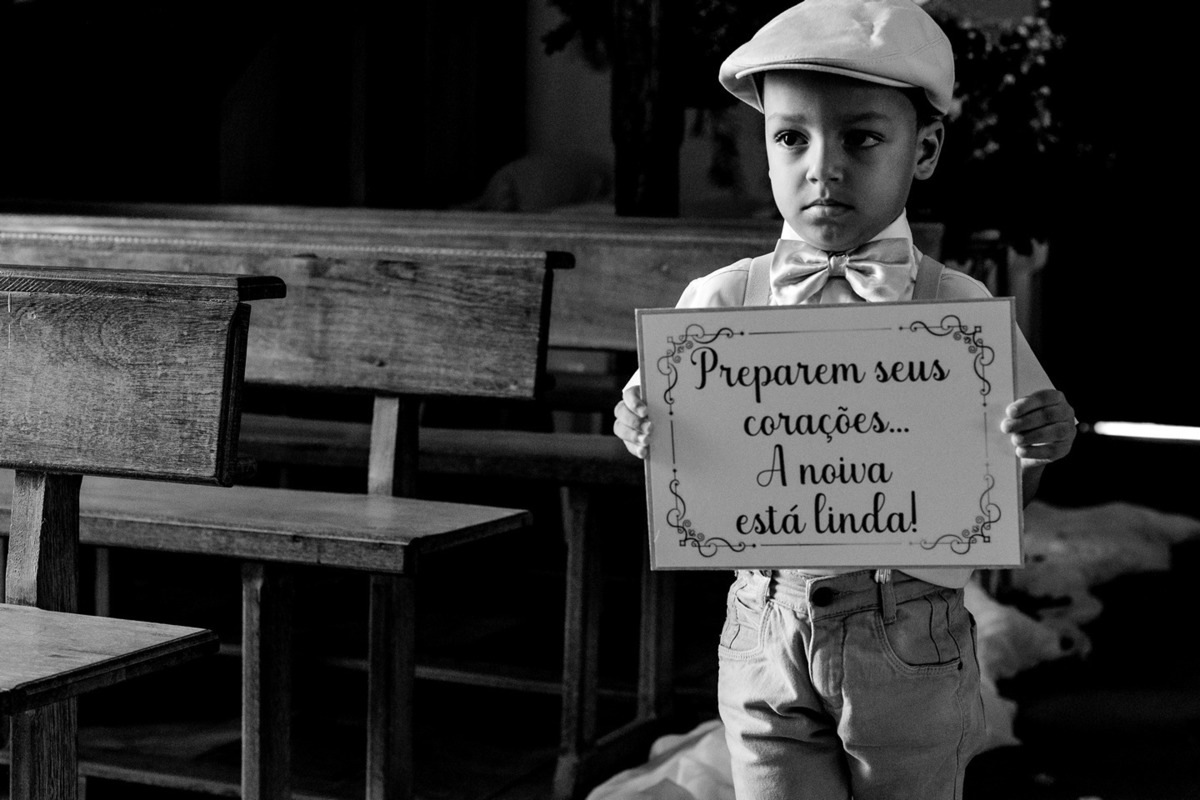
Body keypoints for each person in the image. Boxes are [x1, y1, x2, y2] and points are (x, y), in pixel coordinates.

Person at [611, 1, 1076, 797]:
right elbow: (662, 428)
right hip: (764, 620)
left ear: (923, 149)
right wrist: (639, 426)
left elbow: (1014, 476)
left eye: (860, 138)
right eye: (792, 137)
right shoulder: (721, 299)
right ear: (765, 149)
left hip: (911, 632)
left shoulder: (957, 306)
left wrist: (1043, 438)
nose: (821, 168)